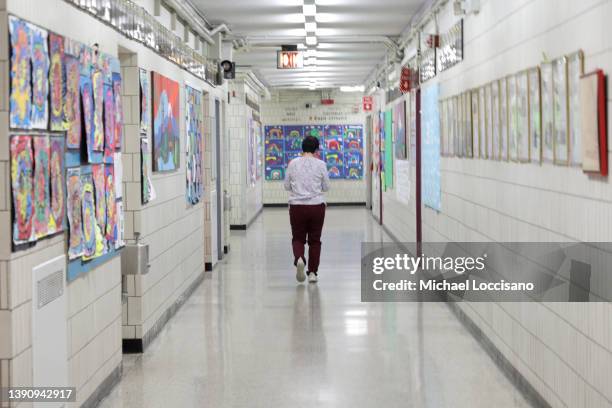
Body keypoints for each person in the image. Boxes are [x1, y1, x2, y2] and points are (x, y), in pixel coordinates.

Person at [284, 135, 330, 283]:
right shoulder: (321, 164)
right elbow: (326, 187)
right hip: (317, 206)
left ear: (302, 148)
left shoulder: (293, 163)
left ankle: (299, 259)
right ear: (316, 149)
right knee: (315, 241)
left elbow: (286, 186)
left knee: (298, 238)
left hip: (297, 207)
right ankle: (312, 273)